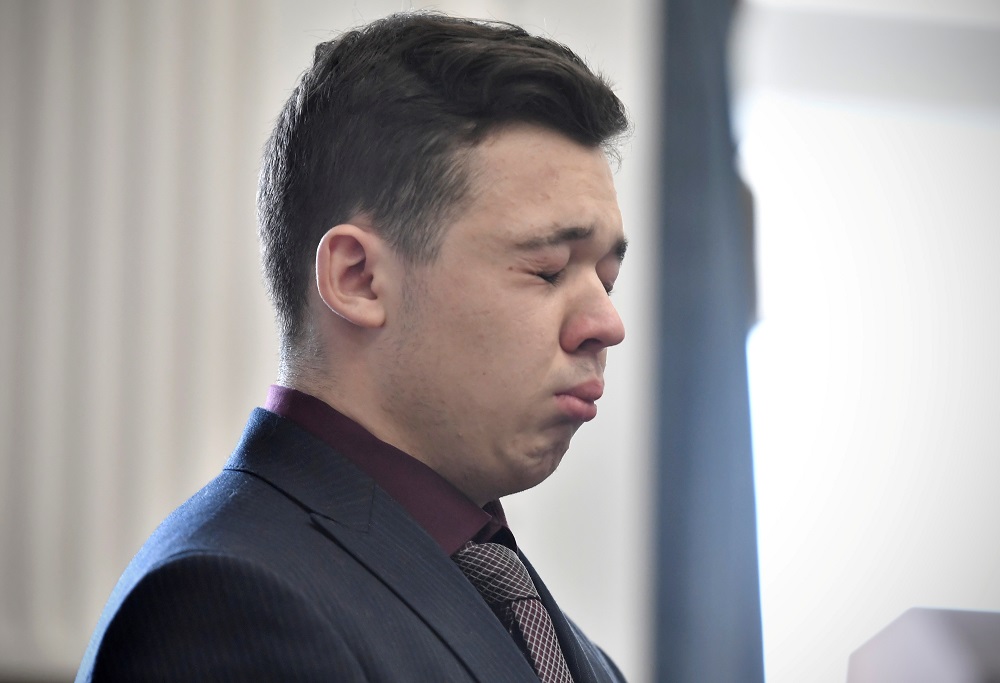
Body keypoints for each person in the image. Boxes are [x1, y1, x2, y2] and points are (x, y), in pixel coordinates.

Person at [76, 11, 630, 682]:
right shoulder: (227, 604)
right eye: (547, 269)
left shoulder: (534, 619)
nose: (607, 323)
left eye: (606, 280)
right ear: (359, 278)